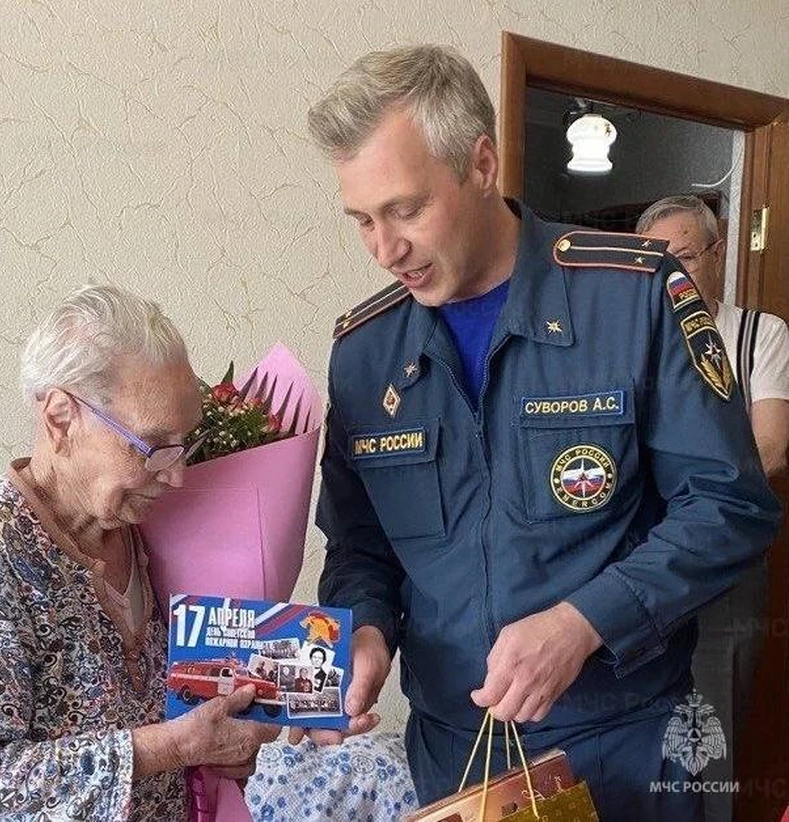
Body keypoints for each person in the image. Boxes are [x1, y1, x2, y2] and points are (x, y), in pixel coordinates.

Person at [295, 45, 782, 822]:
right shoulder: (364, 353)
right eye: (362, 220)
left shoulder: (635, 298)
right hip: (455, 755)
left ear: (482, 163)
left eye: (406, 209)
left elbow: (729, 507)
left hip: (623, 743)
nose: (385, 250)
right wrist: (367, 634)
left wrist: (585, 621)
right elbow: (360, 548)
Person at [0, 284, 279, 821]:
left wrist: (236, 732)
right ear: (60, 418)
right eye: (151, 446)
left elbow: (184, 707)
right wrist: (173, 747)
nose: (175, 476)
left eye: (185, 444)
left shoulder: (144, 529)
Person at [638, 195, 789, 822]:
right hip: (642, 566)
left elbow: (773, 448)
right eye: (655, 261)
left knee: (712, 731)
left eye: (683, 257)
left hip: (725, 569)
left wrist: (676, 491)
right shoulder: (634, 337)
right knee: (636, 730)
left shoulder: (760, 333)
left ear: (719, 255)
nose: (670, 274)